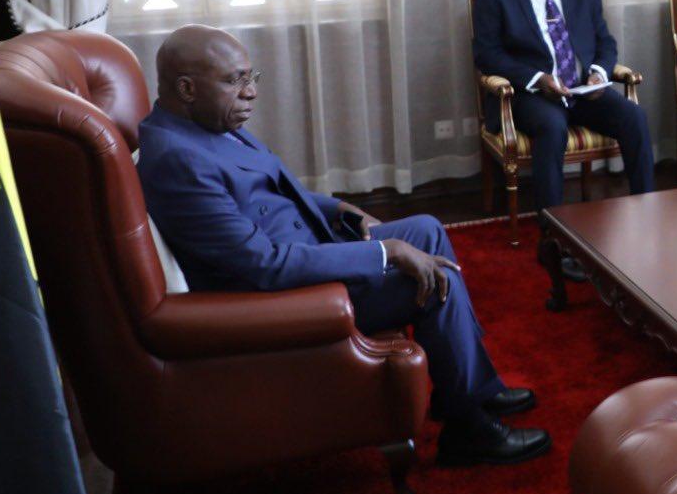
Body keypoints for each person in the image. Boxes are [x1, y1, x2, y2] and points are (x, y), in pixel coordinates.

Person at [137, 25, 550, 466]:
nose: (251, 92)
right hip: (287, 295)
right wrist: (386, 252)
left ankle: (471, 387)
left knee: (427, 230)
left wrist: (341, 209)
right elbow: (262, 264)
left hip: (306, 247)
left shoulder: (204, 124)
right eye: (234, 80)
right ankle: (468, 429)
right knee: (431, 277)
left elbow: (278, 192)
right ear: (187, 88)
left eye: (251, 77)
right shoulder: (178, 160)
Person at [472, 0, 655, 218]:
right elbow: (487, 55)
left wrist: (598, 74)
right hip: (530, 95)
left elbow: (605, 42)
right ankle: (552, 226)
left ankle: (647, 210)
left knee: (634, 116)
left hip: (583, 91)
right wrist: (538, 79)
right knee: (552, 125)